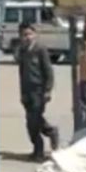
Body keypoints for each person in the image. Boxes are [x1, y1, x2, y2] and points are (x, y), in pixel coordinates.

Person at [15, 22, 59, 161]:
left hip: (39, 90)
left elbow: (48, 71)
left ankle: (39, 151)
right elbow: (22, 73)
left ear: (35, 34)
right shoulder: (23, 50)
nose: (27, 37)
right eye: (24, 35)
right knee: (34, 120)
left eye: (29, 34)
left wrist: (48, 90)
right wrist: (22, 92)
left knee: (32, 121)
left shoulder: (40, 49)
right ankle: (50, 131)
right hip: (27, 90)